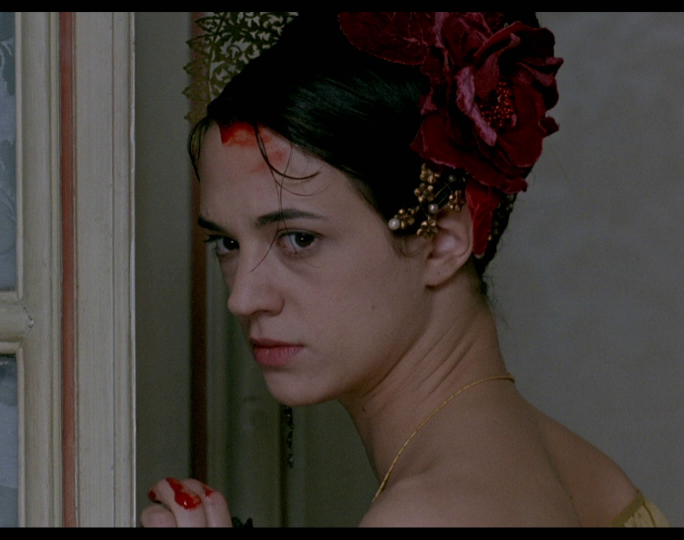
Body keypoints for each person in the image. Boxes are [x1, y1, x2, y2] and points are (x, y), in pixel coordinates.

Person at [141, 12, 670, 527]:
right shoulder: (585, 473)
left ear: (442, 242)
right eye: (227, 243)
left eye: (299, 239)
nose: (242, 298)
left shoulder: (430, 511)